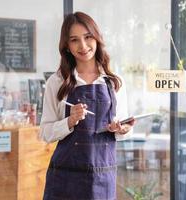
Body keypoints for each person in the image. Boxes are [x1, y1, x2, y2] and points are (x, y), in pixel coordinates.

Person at [40, 11, 135, 200]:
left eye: (87, 37)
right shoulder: (57, 82)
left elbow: (123, 129)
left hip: (102, 175)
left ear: (97, 38)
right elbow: (45, 132)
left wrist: (122, 128)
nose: (83, 46)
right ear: (66, 46)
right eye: (74, 40)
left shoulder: (114, 82)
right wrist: (70, 120)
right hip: (65, 176)